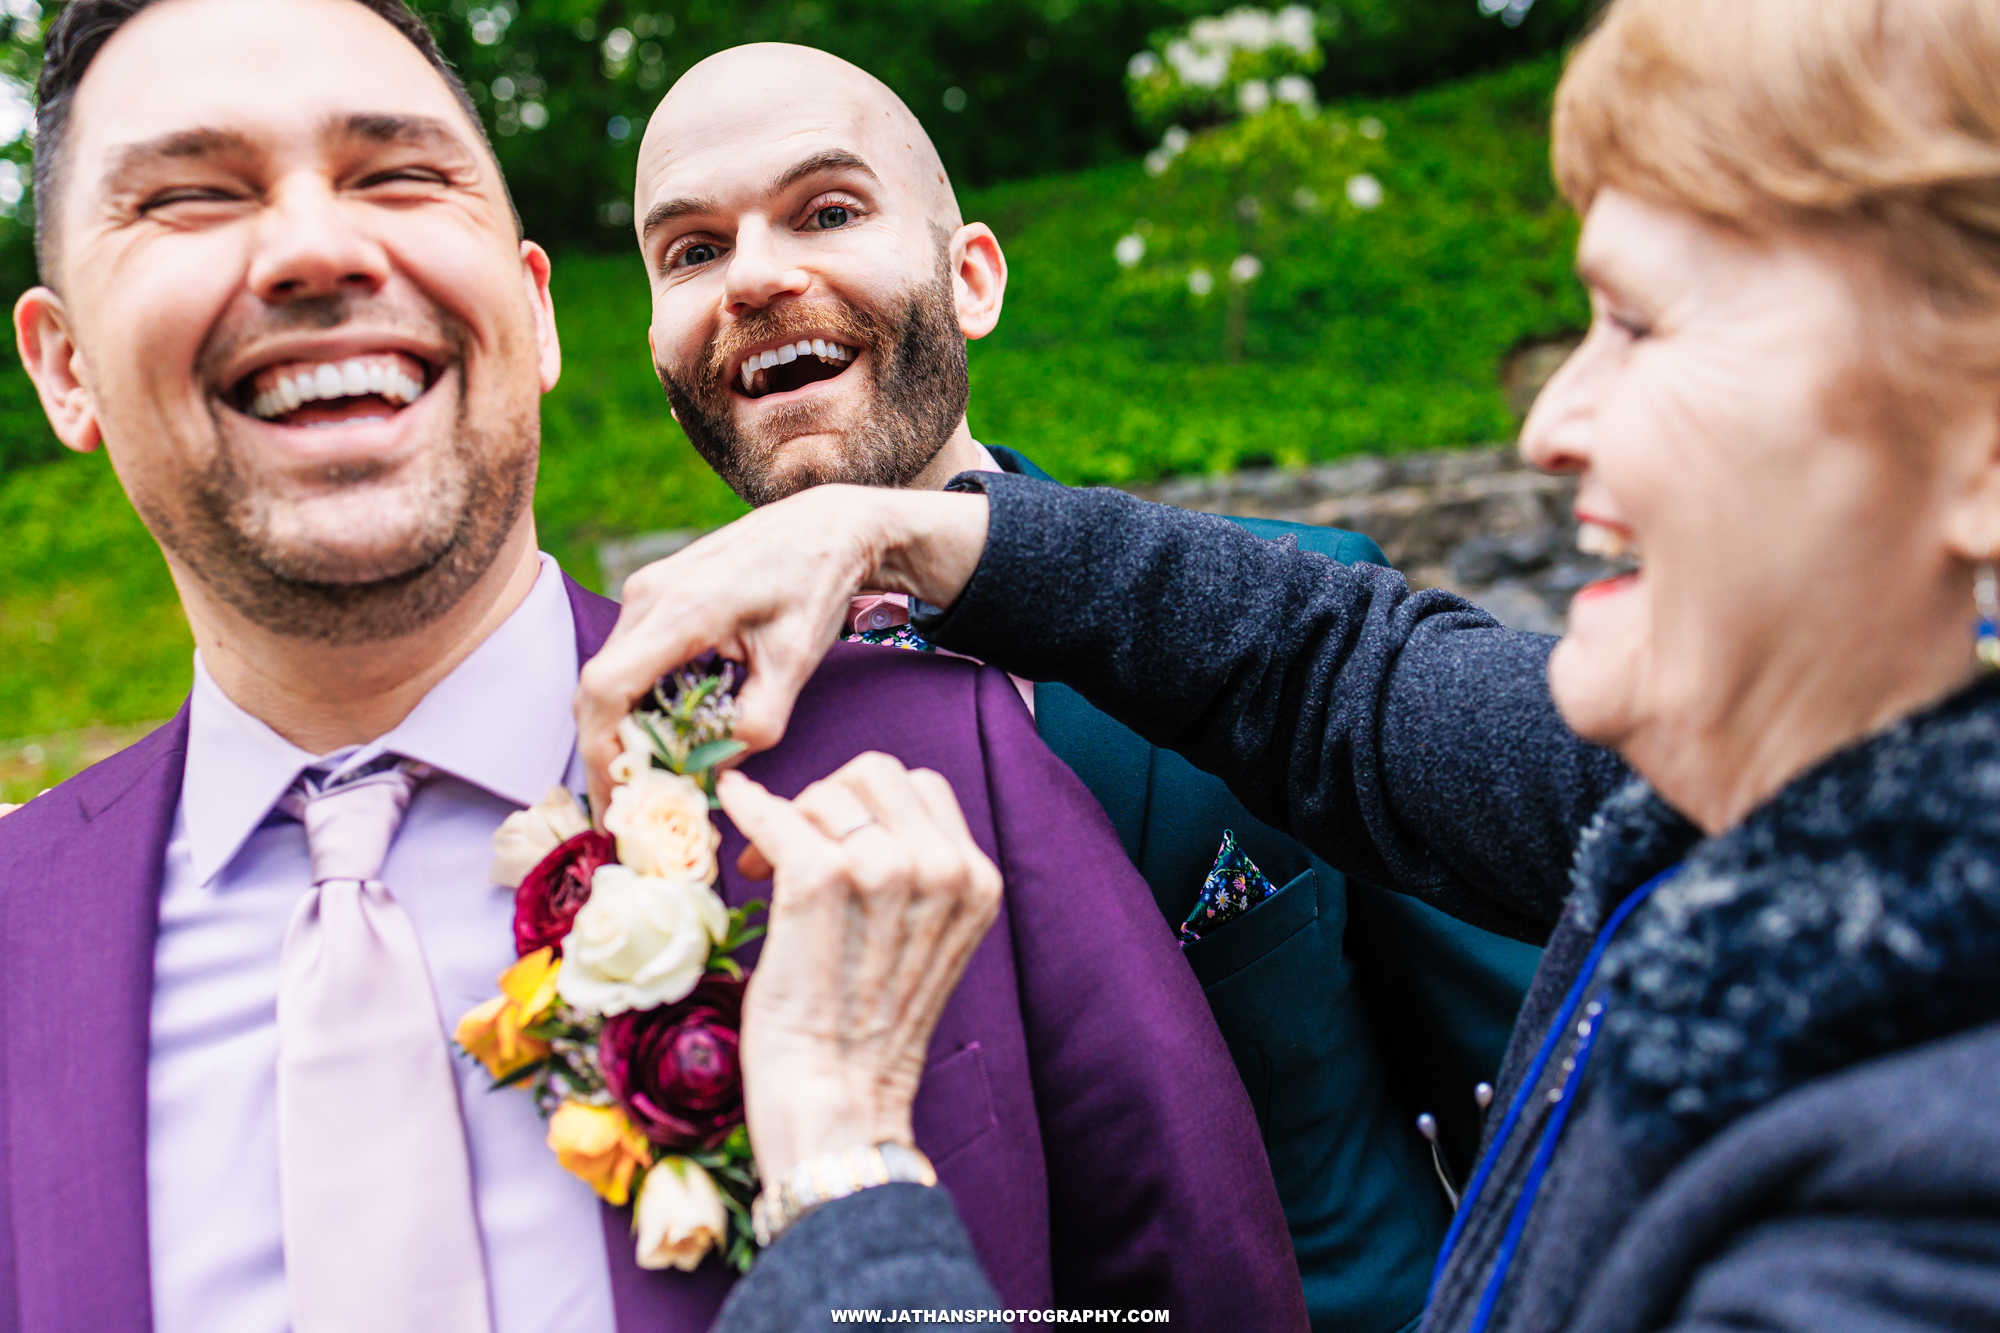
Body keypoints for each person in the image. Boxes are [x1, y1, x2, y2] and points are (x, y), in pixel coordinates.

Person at [577, 0, 2000, 1327]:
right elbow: (1333, 680)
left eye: (1642, 324)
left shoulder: (1912, 1192)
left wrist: (841, 1164)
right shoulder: (637, 734)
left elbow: (1498, 1069)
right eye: (691, 250)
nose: (1550, 415)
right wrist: (908, 538)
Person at [0, 1, 1306, 1329]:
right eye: (189, 196)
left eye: (396, 174)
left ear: (536, 309)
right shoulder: (16, 932)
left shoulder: (941, 762)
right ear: (62, 368)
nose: (319, 247)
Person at [626, 45, 1540, 1327]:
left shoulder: (1293, 618)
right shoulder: (637, 751)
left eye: (829, 212)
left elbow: (1538, 1109)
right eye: (690, 251)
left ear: (971, 278)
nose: (759, 276)